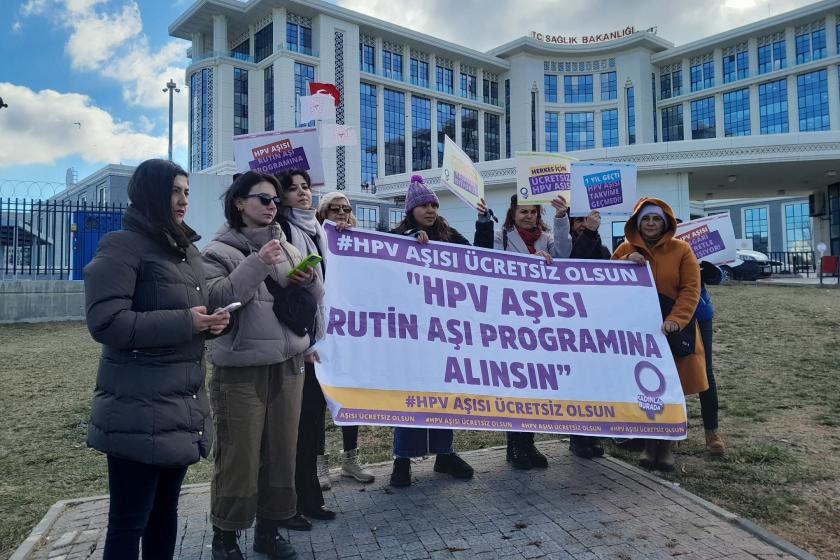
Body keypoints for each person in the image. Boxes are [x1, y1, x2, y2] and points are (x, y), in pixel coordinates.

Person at [84, 159, 230, 560]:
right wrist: (186, 321)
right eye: (174, 191)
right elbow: (106, 322)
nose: (183, 200)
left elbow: (193, 314)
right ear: (150, 193)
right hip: (137, 407)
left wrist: (212, 322)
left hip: (180, 405)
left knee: (165, 513)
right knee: (129, 521)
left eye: (186, 191)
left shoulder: (187, 252)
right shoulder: (121, 246)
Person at [202, 171, 323, 560]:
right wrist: (256, 264)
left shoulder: (285, 245)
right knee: (239, 456)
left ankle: (269, 531)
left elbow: (317, 294)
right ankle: (226, 536)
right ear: (240, 203)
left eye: (275, 200)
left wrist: (306, 279)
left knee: (282, 452)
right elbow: (217, 300)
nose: (273, 207)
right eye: (264, 200)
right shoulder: (217, 250)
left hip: (287, 365)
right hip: (241, 370)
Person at [388, 175, 478, 487]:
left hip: (444, 328)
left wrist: (484, 225)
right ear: (411, 209)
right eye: (424, 205)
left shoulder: (449, 235)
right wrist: (408, 245)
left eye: (433, 205)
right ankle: (402, 459)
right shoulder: (395, 236)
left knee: (442, 392)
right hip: (410, 331)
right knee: (410, 395)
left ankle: (444, 453)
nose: (430, 209)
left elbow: (478, 260)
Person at [473, 193, 572, 470]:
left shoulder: (548, 238)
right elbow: (485, 260)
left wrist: (562, 218)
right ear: (512, 214)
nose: (528, 216)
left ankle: (528, 442)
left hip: (540, 320)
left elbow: (565, 254)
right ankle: (514, 445)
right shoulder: (500, 237)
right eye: (523, 212)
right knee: (515, 386)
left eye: (532, 212)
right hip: (509, 320)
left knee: (535, 386)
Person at [612, 198, 708, 472]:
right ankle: (648, 444)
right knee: (645, 388)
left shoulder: (682, 250)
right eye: (646, 219)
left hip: (670, 329)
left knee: (669, 387)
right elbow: (606, 279)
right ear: (637, 223)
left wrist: (676, 320)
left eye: (656, 219)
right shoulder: (624, 249)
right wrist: (625, 262)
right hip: (639, 332)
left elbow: (691, 289)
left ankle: (665, 447)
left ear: (665, 223)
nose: (651, 224)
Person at [274, 169, 335, 530]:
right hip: (293, 342)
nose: (302, 194)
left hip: (318, 340)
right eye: (293, 189)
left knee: (312, 423)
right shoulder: (281, 231)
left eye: (305, 187)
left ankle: (310, 497)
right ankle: (287, 503)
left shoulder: (319, 230)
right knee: (289, 429)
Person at [315, 191, 377, 484]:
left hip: (349, 332)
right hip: (321, 329)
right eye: (334, 208)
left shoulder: (359, 241)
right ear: (323, 212)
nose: (341, 212)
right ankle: (319, 464)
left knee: (349, 395)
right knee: (317, 399)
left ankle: (351, 460)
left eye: (345, 208)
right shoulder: (314, 238)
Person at [567, 210, 612, 459]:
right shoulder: (563, 246)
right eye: (579, 221)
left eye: (588, 220)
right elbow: (575, 262)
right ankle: (578, 438)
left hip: (594, 326)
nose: (584, 224)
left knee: (594, 384)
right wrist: (591, 233)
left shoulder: (603, 249)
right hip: (571, 327)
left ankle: (592, 434)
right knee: (578, 384)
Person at [697, 261, 726, 455]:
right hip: (661, 312)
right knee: (670, 371)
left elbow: (717, 276)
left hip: (698, 312)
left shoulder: (696, 235)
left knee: (705, 371)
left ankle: (712, 432)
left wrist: (709, 270)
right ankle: (672, 432)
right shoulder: (638, 240)